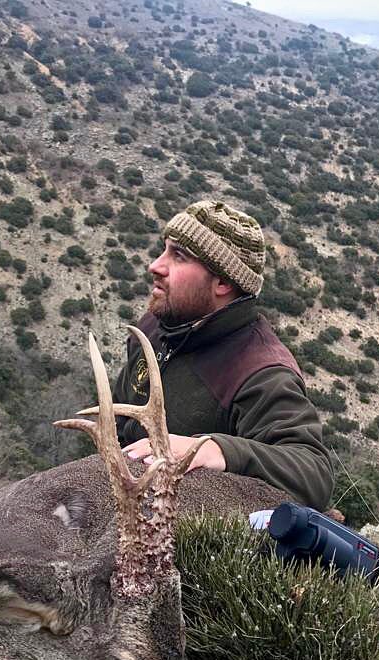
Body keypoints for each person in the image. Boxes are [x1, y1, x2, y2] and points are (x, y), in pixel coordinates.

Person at [112, 200, 333, 511]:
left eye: (179, 256)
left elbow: (314, 472)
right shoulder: (157, 325)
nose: (156, 266)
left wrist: (215, 449)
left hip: (176, 526)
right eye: (164, 249)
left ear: (224, 282)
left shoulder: (261, 371)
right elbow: (120, 416)